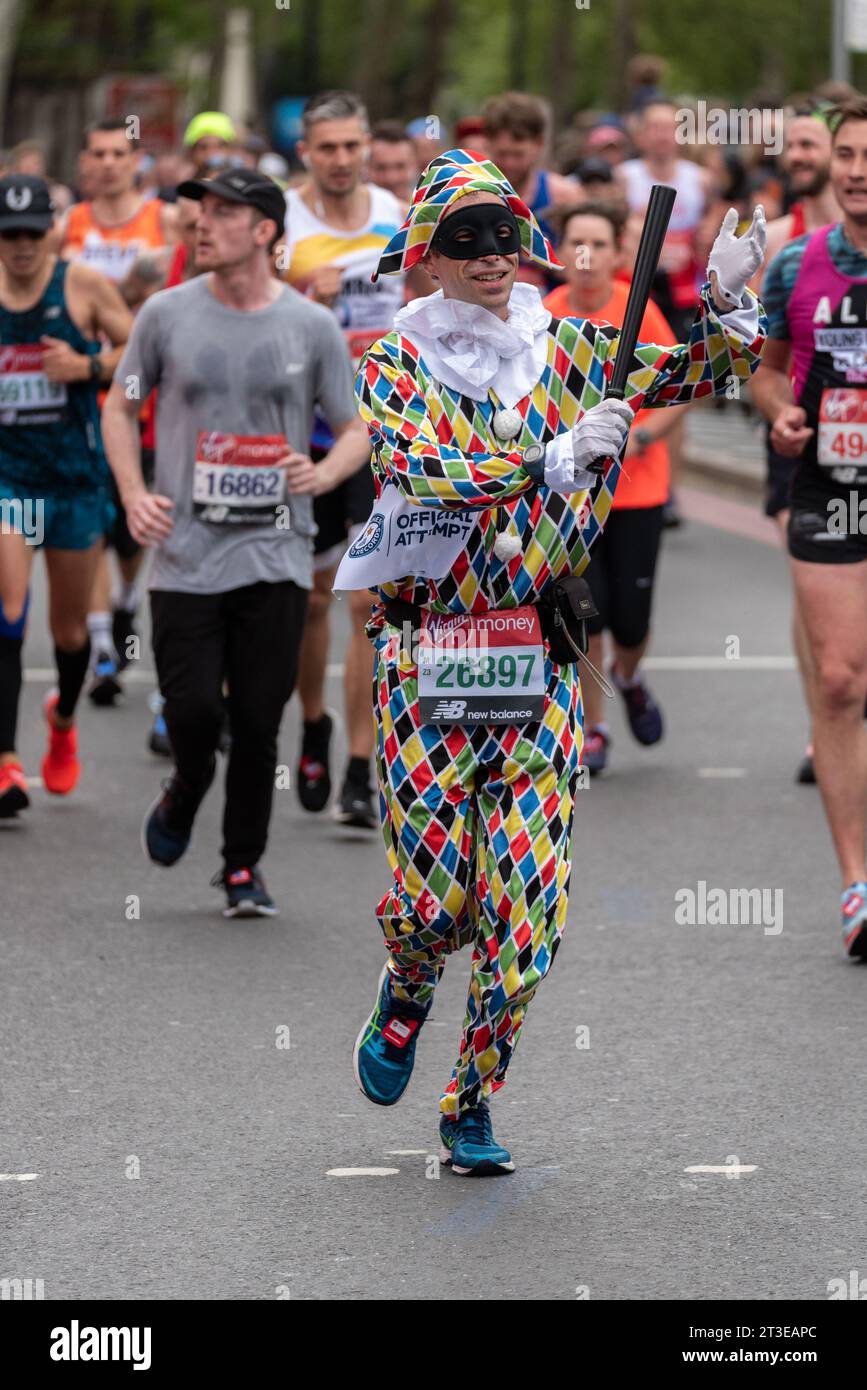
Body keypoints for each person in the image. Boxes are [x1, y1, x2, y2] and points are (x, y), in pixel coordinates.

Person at [343, 148, 767, 1173]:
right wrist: (550, 456)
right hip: (426, 653)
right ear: (429, 261)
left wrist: (726, 303)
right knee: (433, 906)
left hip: (532, 657)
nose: (492, 257)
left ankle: (472, 1099)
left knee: (528, 918)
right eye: (465, 240)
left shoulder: (572, 347)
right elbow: (422, 468)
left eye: (502, 235)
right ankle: (407, 985)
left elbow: (699, 371)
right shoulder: (393, 363)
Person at [101, 166, 370, 917]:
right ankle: (186, 787)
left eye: (222, 213)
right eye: (199, 211)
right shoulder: (163, 314)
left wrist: (321, 474)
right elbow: (120, 409)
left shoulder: (311, 327)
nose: (202, 224)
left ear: (263, 233)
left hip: (276, 551)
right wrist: (132, 492)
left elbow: (354, 429)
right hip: (185, 553)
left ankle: (241, 865)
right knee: (192, 713)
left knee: (258, 719)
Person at [751, 95, 867, 959]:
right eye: (847, 154)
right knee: (835, 681)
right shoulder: (796, 264)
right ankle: (856, 882)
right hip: (826, 484)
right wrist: (779, 414)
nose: (858, 170)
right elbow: (766, 370)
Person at [283, 90, 418, 828]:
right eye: (326, 147)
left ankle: (361, 767)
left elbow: (426, 300)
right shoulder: (286, 221)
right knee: (311, 602)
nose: (340, 159)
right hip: (305, 433)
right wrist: (305, 291)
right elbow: (257, 309)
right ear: (307, 152)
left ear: (367, 145)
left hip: (378, 430)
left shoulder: (395, 215)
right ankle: (312, 726)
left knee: (368, 604)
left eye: (350, 146)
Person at [0, 175, 131, 816]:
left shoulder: (80, 285)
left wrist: (86, 368)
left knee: (71, 631)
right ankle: (5, 761)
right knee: (7, 609)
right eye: (9, 235)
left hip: (75, 478)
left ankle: (62, 719)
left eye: (31, 233)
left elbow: (138, 351)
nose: (21, 247)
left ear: (51, 230)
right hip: (11, 481)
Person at [544, 201, 687, 774]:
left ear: (617, 253)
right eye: (576, 243)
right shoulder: (547, 317)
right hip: (573, 497)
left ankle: (630, 677)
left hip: (637, 491)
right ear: (560, 254)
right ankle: (593, 728)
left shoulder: (640, 312)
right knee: (587, 614)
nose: (586, 256)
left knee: (630, 617)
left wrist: (644, 436)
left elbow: (679, 391)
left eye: (598, 245)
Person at [61, 118, 179, 707]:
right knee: (96, 519)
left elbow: (177, 274)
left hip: (145, 391)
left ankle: (127, 602)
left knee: (131, 533)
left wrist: (122, 294)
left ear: (136, 161)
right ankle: (105, 643)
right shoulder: (70, 225)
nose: (107, 163)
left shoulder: (164, 218)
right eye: (97, 153)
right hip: (84, 395)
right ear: (86, 162)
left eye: (118, 153)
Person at [753, 105, 840, 785]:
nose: (801, 155)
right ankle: (825, 724)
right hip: (803, 448)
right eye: (795, 146)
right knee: (809, 593)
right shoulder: (782, 243)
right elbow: (762, 354)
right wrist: (780, 412)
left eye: (812, 143)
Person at [620, 100, 710, 527]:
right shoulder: (628, 177)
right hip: (640, 289)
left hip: (682, 296)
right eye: (653, 127)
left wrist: (699, 244)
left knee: (679, 390)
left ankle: (669, 488)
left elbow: (713, 228)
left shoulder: (699, 180)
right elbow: (620, 227)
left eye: (668, 127)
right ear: (642, 135)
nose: (661, 135)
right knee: (636, 385)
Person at [481, 92, 579, 287]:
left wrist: (540, 256)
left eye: (518, 154)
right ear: (488, 143)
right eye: (502, 153)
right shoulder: (472, 195)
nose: (509, 163)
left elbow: (583, 268)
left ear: (539, 144)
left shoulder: (564, 196)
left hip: (552, 310)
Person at [367, 121, 418, 205]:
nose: (391, 178)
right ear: (367, 167)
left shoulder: (433, 215)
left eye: (400, 166)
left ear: (414, 165)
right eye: (381, 168)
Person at [182, 112, 238, 178]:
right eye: (203, 147)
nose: (211, 153)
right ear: (191, 153)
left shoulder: (246, 186)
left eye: (220, 146)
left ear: (231, 150)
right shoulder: (182, 186)